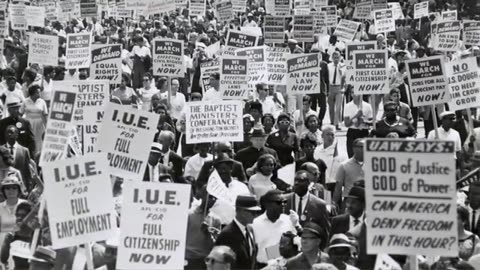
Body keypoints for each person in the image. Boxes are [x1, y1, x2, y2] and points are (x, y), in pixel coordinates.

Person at [215, 195, 261, 270]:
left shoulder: (250, 229)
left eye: (257, 212)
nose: (255, 215)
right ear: (242, 212)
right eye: (253, 212)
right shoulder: (227, 234)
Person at [253, 190, 297, 267]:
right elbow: (258, 253)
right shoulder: (256, 223)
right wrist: (279, 250)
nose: (283, 205)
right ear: (267, 204)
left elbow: (295, 245)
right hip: (264, 266)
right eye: (279, 202)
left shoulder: (288, 220)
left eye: (285, 202)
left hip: (285, 266)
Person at [186, 184, 221, 270]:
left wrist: (209, 233)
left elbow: (217, 245)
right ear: (202, 195)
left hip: (206, 262)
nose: (212, 200)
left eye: (214, 198)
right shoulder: (189, 215)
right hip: (189, 259)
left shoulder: (216, 219)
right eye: (209, 196)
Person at [1, 201, 35, 270]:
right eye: (18, 215)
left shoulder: (37, 235)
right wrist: (7, 240)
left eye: (23, 216)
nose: (19, 218)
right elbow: (3, 259)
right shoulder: (12, 236)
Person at [333, 139, 365, 210]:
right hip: (350, 201)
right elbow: (338, 187)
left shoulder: (373, 165)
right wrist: (334, 203)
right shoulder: (344, 165)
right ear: (354, 148)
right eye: (360, 147)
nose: (363, 149)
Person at [343, 93, 372, 158]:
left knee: (365, 156)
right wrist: (356, 116)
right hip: (352, 132)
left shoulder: (367, 106)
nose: (357, 95)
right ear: (351, 94)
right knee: (351, 156)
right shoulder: (348, 106)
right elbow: (347, 124)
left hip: (364, 132)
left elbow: (372, 122)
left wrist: (364, 121)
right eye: (354, 93)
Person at [4, 125, 31, 191]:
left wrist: (28, 188)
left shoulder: (24, 151)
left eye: (11, 132)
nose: (9, 134)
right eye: (7, 132)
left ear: (17, 135)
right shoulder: (1, 150)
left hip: (20, 188)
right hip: (4, 189)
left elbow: (28, 172)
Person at [22, 85, 47, 155]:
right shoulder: (25, 101)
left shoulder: (42, 102)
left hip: (39, 124)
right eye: (38, 92)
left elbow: (45, 115)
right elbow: (20, 113)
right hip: (28, 123)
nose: (40, 94)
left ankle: (38, 156)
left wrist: (47, 127)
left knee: (39, 141)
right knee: (30, 139)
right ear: (33, 93)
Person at [327, 51, 345, 130]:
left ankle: (336, 123)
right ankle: (332, 122)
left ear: (340, 58)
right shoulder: (328, 66)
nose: (336, 59)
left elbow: (345, 77)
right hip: (330, 87)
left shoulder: (343, 66)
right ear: (332, 58)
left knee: (338, 107)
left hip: (339, 87)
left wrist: (341, 71)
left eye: (337, 57)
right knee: (331, 107)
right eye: (334, 58)